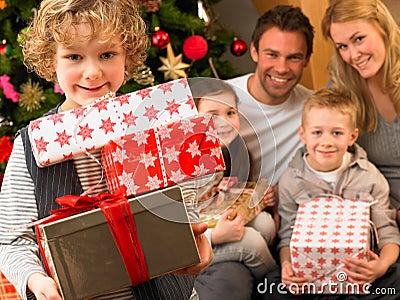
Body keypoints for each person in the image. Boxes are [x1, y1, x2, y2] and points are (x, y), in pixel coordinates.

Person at [0, 0, 213, 299]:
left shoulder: (152, 123)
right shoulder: (31, 145)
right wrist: (36, 280)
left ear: (128, 56)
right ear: (52, 61)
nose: (92, 72)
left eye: (107, 54)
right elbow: (12, 241)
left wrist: (198, 242)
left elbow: (187, 205)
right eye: (74, 56)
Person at [277, 88, 400, 298]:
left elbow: (387, 231)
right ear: (303, 135)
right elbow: (287, 235)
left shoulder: (369, 177)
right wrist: (287, 265)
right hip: (311, 276)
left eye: (337, 133)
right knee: (274, 289)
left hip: (361, 273)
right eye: (317, 132)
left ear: (352, 136)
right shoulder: (291, 181)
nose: (326, 142)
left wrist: (382, 264)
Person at [189, 78, 277, 283]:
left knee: (266, 224)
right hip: (192, 241)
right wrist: (215, 237)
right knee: (252, 241)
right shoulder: (185, 163)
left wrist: (258, 196)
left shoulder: (233, 149)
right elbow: (172, 228)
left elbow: (232, 193)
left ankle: (249, 273)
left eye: (230, 113)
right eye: (212, 115)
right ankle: (277, 283)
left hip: (212, 217)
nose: (225, 122)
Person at [321, 0, 400, 225]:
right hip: (377, 211)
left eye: (358, 39)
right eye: (342, 47)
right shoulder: (340, 91)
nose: (353, 55)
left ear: (382, 27)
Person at [227, 5, 315, 189]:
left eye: (294, 58)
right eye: (272, 55)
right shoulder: (218, 100)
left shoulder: (314, 110)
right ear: (254, 52)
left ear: (307, 59)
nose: (282, 68)